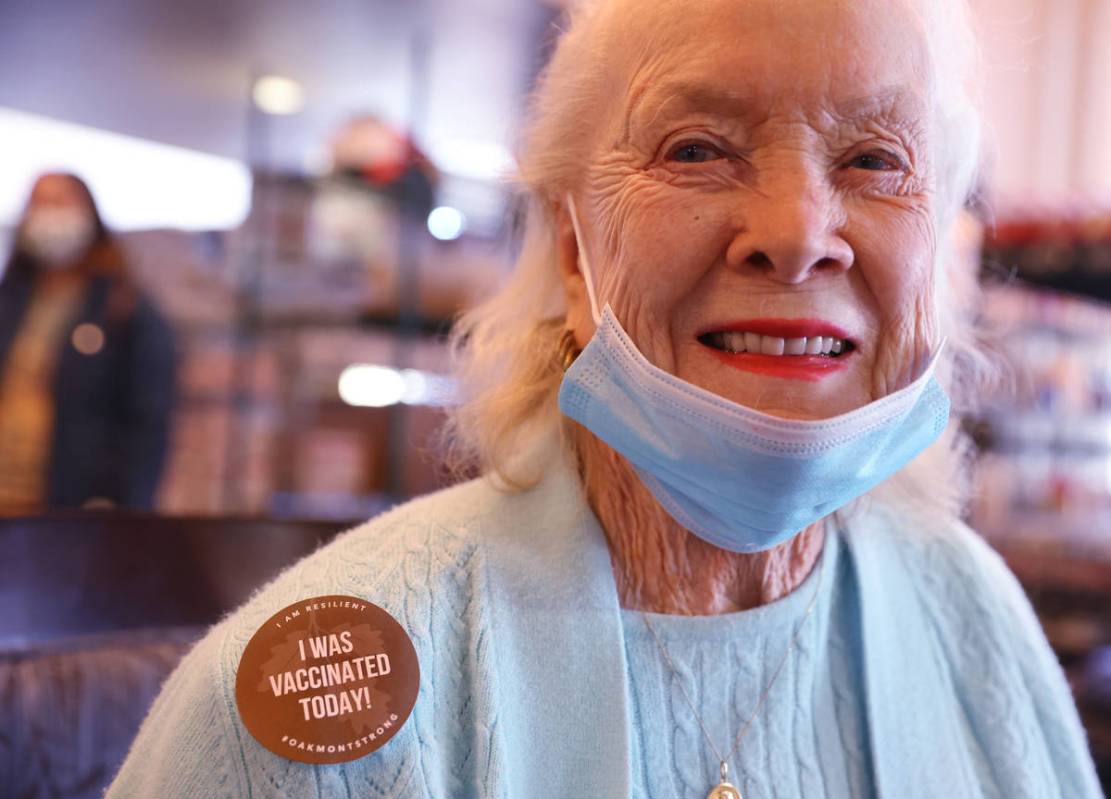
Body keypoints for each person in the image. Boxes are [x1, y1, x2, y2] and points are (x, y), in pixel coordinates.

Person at [107, 0, 1103, 796]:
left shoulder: (966, 604)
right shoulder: (340, 683)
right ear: (574, 252)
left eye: (875, 159)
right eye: (698, 148)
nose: (797, 230)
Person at [0, 172, 177, 513]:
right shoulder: (10, 300)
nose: (48, 215)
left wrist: (122, 501)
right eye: (39, 202)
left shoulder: (123, 310)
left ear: (89, 215)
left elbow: (149, 420)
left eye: (60, 202)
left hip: (67, 505)